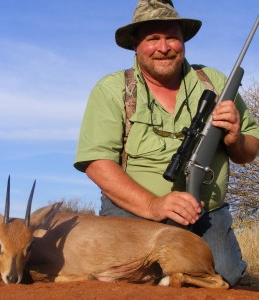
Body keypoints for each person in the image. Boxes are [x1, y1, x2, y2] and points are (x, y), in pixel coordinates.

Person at [74, 0, 259, 287]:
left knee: (223, 277)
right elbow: (97, 164)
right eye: (152, 39)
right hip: (132, 212)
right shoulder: (112, 89)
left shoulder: (215, 82)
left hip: (205, 211)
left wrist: (235, 138)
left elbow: (249, 151)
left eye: (171, 36)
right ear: (135, 45)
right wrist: (154, 205)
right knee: (124, 278)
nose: (164, 47)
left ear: (183, 40)